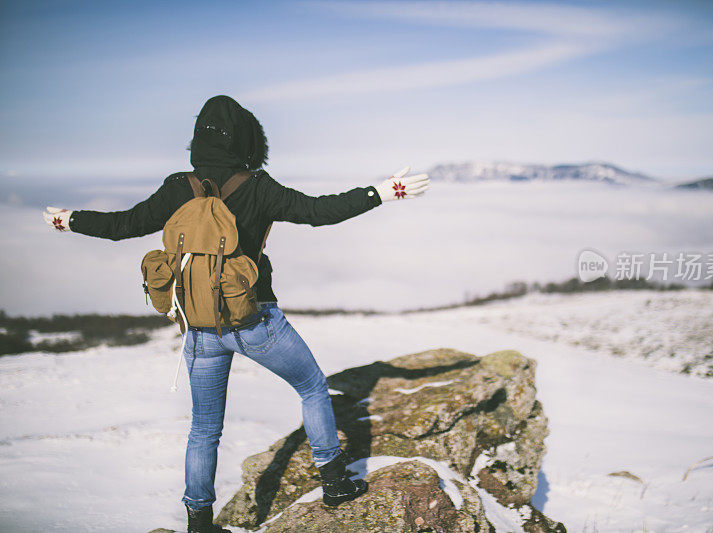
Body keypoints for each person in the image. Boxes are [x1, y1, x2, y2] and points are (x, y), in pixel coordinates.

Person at [42, 95, 430, 533]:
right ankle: (335, 479)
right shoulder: (258, 186)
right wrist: (380, 192)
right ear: (246, 140)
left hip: (199, 328)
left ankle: (198, 520)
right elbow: (321, 212)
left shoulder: (177, 187)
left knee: (204, 429)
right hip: (256, 321)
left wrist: (71, 220)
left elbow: (122, 225)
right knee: (312, 387)